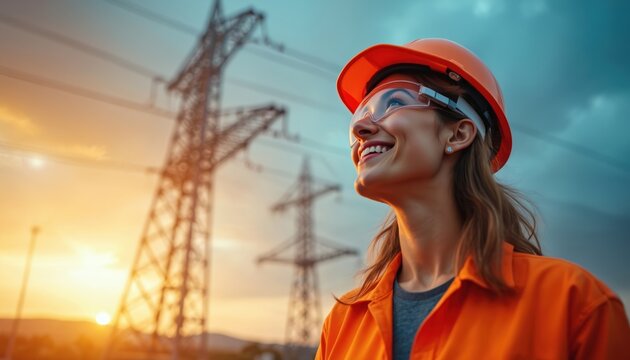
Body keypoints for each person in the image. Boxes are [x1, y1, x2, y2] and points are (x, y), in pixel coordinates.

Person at [315, 38, 630, 359]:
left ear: (458, 134)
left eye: (393, 103)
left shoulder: (574, 305)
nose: (362, 129)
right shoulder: (342, 325)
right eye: (359, 116)